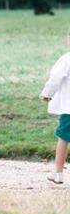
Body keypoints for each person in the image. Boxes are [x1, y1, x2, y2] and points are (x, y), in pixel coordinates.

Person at [39, 27, 70, 184]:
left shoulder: (66, 59)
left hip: (69, 110)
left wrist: (47, 93)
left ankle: (58, 173)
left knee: (63, 138)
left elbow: (56, 77)